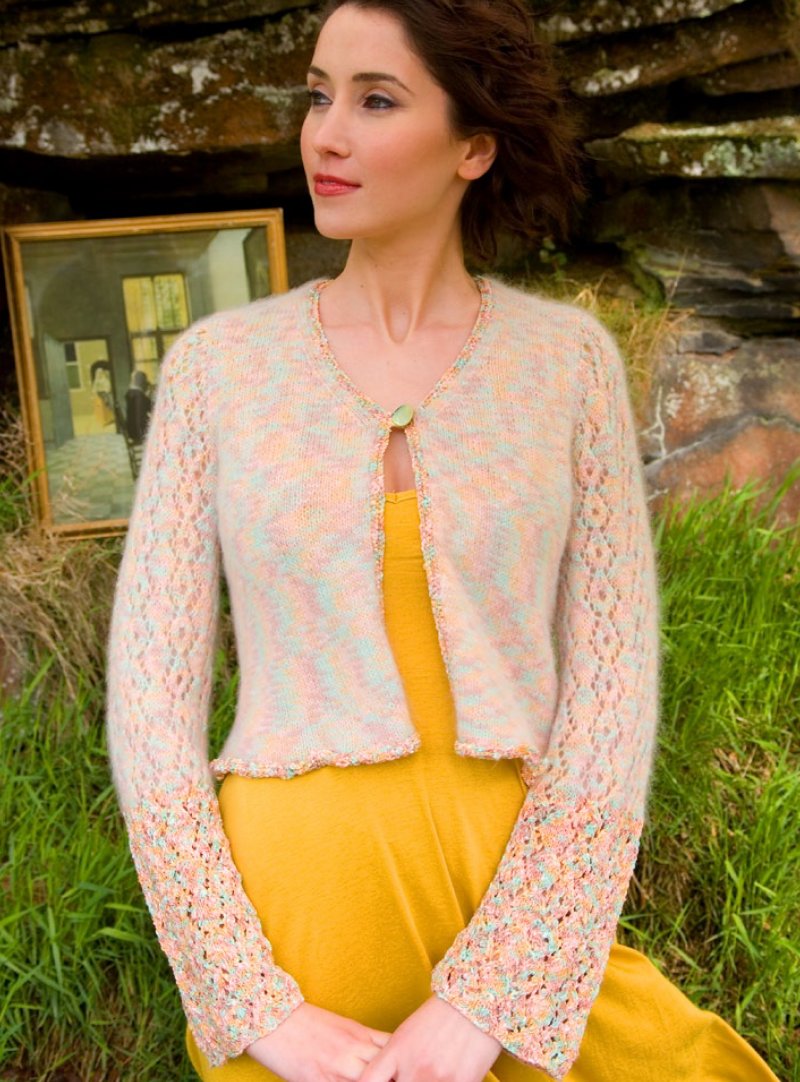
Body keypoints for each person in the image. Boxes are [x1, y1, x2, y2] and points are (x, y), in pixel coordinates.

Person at [104, 2, 781, 1080]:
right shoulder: (216, 370)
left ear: (474, 146)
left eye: (375, 100)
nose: (326, 134)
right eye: (317, 96)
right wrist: (247, 999)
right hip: (290, 933)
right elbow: (148, 706)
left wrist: (497, 991)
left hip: (516, 909)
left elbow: (611, 694)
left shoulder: (564, 365)